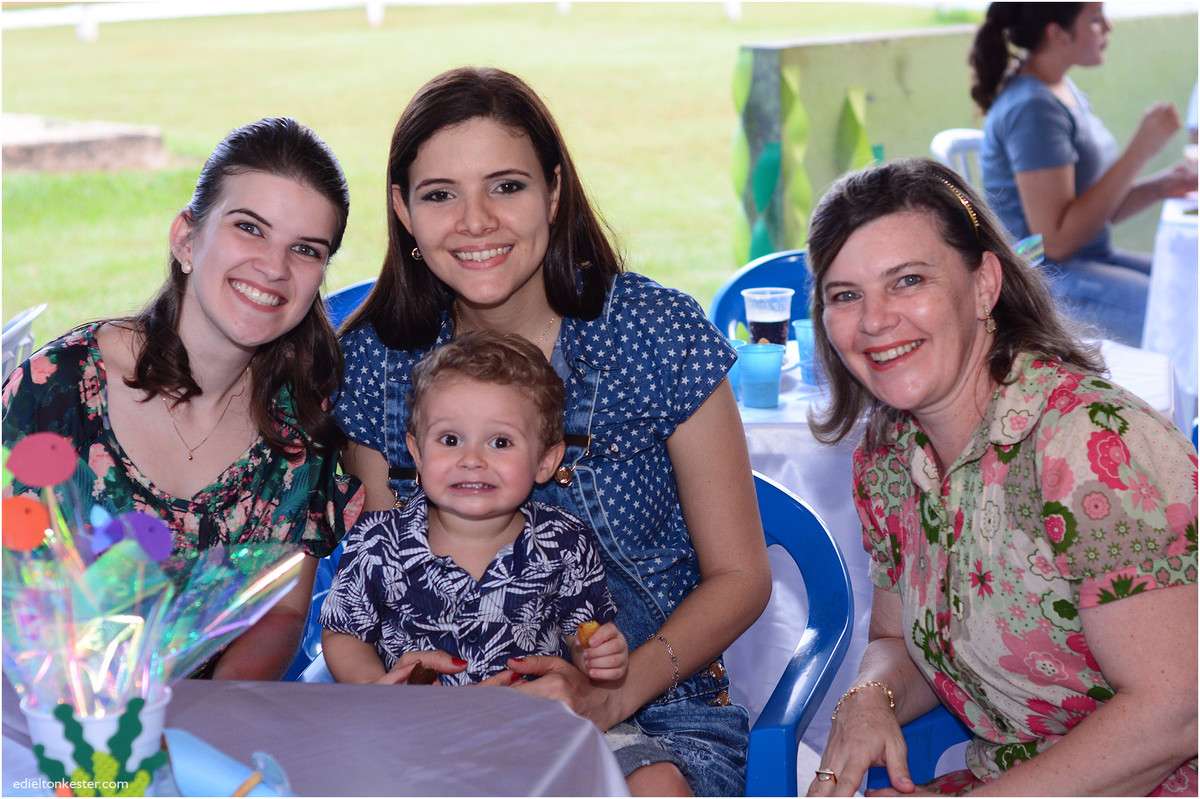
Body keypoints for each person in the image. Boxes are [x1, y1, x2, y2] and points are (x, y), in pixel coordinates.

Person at [335, 66, 771, 796]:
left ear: (555, 191)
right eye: (440, 194)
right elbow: (381, 589)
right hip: (443, 713)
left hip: (653, 707)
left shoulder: (656, 333)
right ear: (404, 210)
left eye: (506, 186)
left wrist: (611, 694)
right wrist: (408, 700)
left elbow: (742, 576)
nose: (476, 221)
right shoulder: (376, 361)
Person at [801, 158, 1197, 796]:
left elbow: (1175, 712)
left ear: (984, 284)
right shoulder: (890, 458)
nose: (874, 321)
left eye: (908, 281)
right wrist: (869, 697)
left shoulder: (1091, 444)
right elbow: (898, 640)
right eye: (845, 295)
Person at [1, 117, 364, 681]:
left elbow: (281, 613)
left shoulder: (297, 428)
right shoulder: (58, 391)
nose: (274, 267)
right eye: (249, 228)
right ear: (186, 238)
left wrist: (215, 709)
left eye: (305, 249)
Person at [319, 331, 627, 689]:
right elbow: (344, 633)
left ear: (545, 461)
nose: (472, 460)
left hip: (527, 717)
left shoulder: (565, 540)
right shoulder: (377, 541)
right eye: (450, 440)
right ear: (417, 453)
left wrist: (598, 655)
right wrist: (376, 685)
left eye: (500, 442)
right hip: (414, 719)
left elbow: (582, 635)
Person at [970, 2, 1196, 346]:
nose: (1108, 27)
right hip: (1047, 282)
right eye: (1094, 19)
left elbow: (1093, 212)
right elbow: (1057, 241)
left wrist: (1159, 187)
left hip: (1087, 261)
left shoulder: (1059, 89)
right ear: (1057, 33)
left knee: (1189, 282)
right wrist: (1140, 150)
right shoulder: (1033, 108)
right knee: (1187, 311)